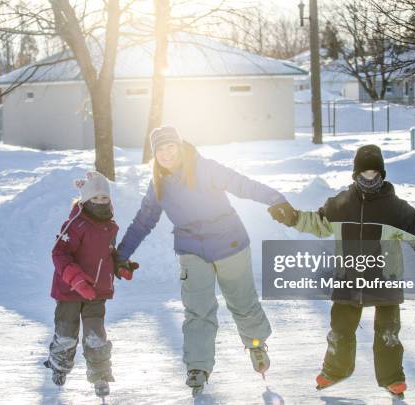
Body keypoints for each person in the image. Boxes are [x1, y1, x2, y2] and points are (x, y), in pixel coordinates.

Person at [116, 126, 295, 395]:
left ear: (179, 145)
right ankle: (197, 367)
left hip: (229, 242)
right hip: (191, 250)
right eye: (160, 150)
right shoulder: (159, 185)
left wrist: (275, 199)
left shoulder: (205, 168)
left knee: (242, 303)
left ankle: (256, 344)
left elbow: (242, 184)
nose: (166, 153)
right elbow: (143, 222)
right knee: (197, 310)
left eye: (170, 146)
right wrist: (121, 255)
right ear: (155, 155)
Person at [272, 144, 415, 398]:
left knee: (388, 332)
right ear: (355, 174)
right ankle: (335, 370)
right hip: (348, 278)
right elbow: (317, 223)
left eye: (374, 174)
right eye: (364, 174)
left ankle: (392, 378)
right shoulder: (341, 204)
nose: (369, 179)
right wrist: (292, 217)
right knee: (340, 329)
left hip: (385, 279)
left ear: (382, 175)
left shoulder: (397, 209)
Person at [44, 171, 138, 399]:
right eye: (95, 199)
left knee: (96, 336)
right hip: (69, 292)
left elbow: (106, 254)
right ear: (85, 200)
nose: (100, 203)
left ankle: (100, 375)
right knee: (66, 334)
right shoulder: (76, 224)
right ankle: (59, 364)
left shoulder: (110, 226)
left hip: (97, 292)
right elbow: (59, 253)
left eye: (104, 198)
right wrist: (76, 280)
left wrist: (119, 266)